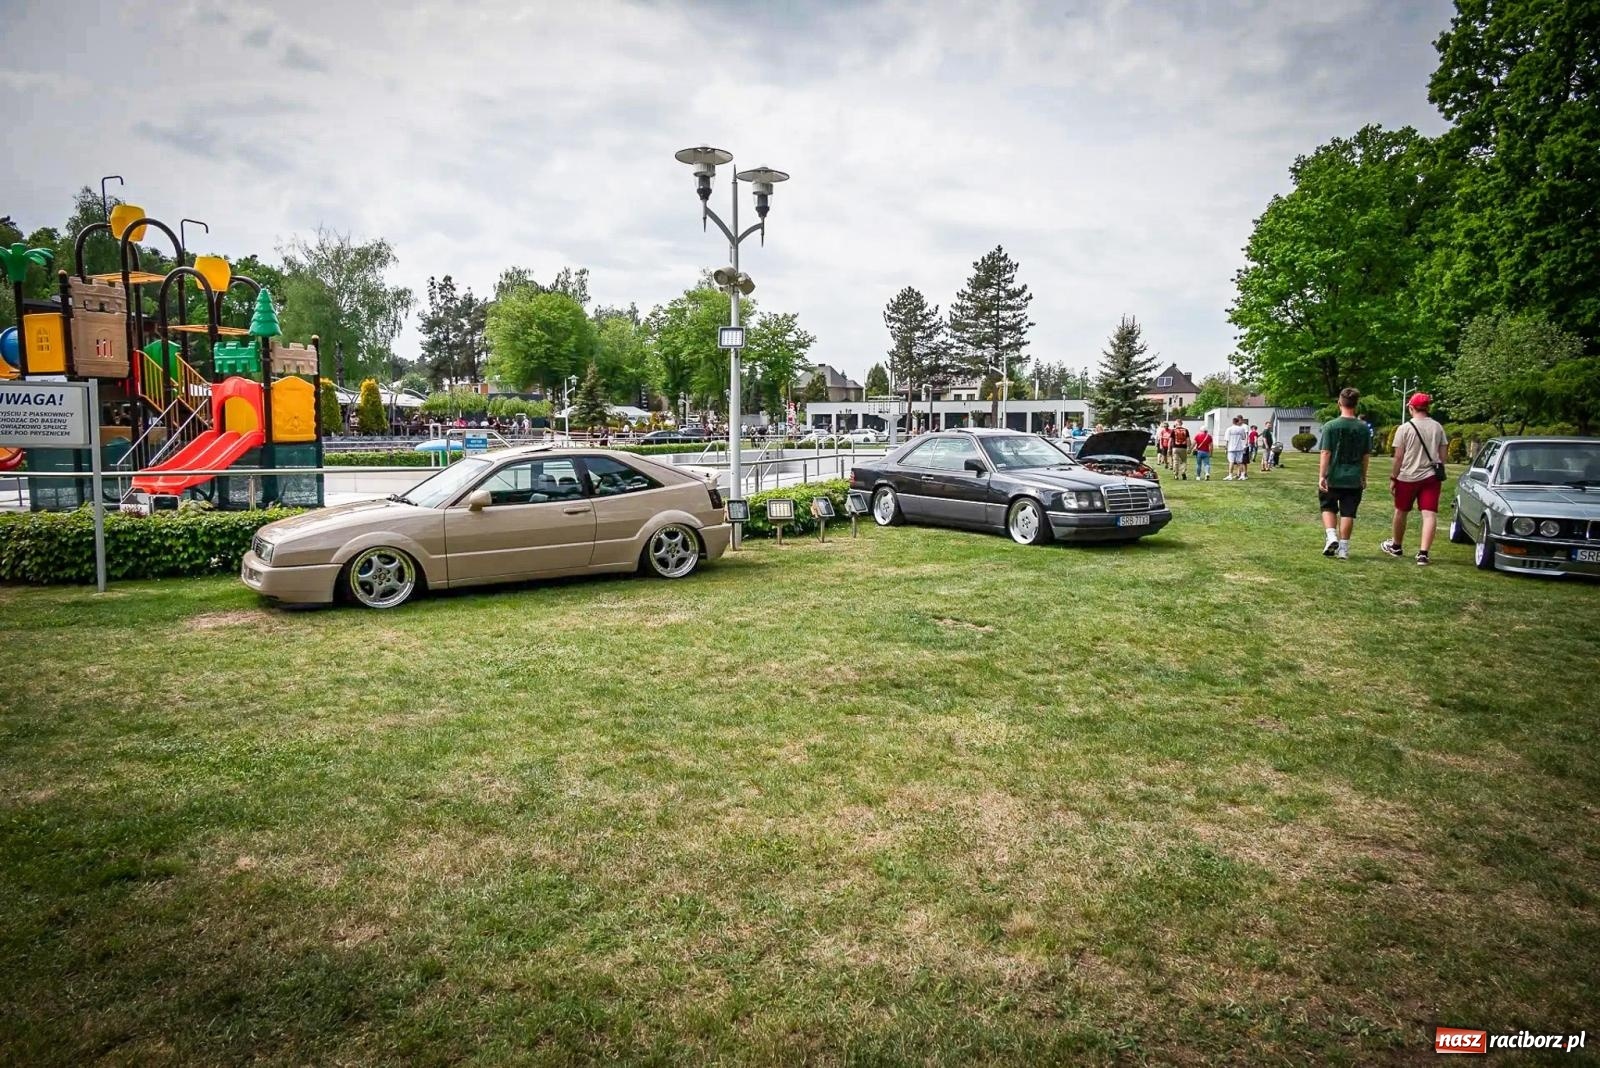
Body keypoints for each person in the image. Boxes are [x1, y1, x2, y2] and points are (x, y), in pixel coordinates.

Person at [1381, 392, 1449, 566]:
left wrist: (1394, 477)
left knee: (1401, 511)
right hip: (1431, 478)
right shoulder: (1437, 427)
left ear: (1411, 408)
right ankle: (1423, 553)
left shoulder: (1404, 428)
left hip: (1407, 477)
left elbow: (1398, 457)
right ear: (1427, 408)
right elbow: (1442, 456)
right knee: (1429, 514)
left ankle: (1396, 546)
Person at [1318, 387, 1372, 560]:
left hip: (1333, 475)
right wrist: (1363, 475)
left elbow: (1326, 452)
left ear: (1339, 402)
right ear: (1356, 404)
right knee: (1348, 512)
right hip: (1353, 477)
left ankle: (1331, 535)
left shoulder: (1330, 426)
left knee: (1328, 506)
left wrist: (1322, 475)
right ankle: (1343, 549)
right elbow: (1365, 455)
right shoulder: (1363, 428)